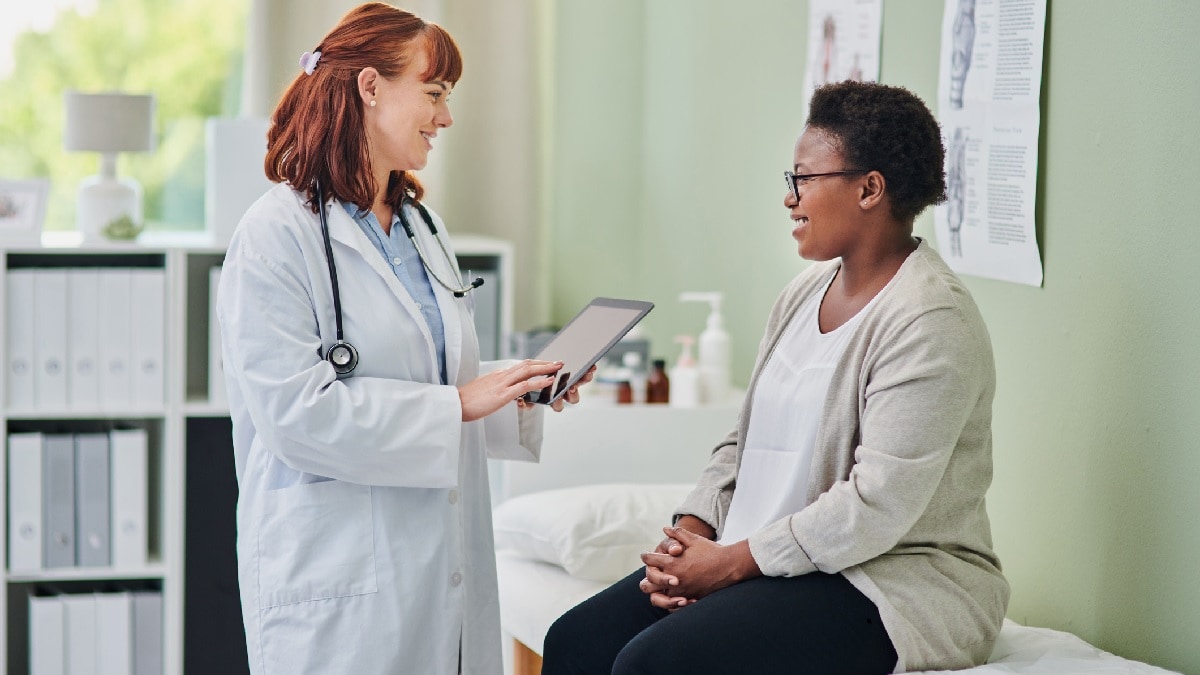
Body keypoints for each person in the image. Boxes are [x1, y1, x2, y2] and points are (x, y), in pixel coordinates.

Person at [542, 81, 1009, 674]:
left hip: (887, 581)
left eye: (803, 179)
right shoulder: (802, 294)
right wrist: (689, 539)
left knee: (653, 664)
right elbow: (741, 442)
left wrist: (731, 563)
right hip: (769, 559)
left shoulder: (930, 319)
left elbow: (876, 505)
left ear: (870, 188)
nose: (790, 200)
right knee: (575, 641)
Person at [215, 4, 588, 673]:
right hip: (338, 586)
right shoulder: (275, 235)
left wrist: (516, 390)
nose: (445, 118)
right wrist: (460, 405)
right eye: (435, 94)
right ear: (369, 87)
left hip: (438, 567)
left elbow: (438, 379)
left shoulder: (423, 228)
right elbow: (296, 415)